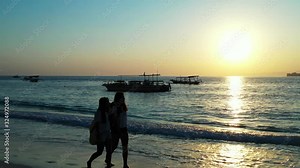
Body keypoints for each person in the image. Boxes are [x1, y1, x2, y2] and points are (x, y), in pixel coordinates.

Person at [87, 97, 113, 168]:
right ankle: (89, 161)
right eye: (107, 102)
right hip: (101, 133)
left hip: (107, 132)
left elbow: (112, 112)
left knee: (109, 150)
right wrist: (98, 134)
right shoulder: (99, 112)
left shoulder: (107, 110)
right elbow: (97, 124)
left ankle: (108, 164)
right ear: (103, 103)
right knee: (99, 152)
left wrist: (111, 104)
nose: (108, 103)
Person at [107, 92, 129, 168]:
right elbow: (111, 118)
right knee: (114, 145)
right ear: (118, 98)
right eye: (122, 98)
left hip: (124, 128)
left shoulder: (123, 106)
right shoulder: (113, 106)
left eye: (123, 98)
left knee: (125, 147)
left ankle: (125, 164)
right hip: (116, 129)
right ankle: (108, 160)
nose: (123, 99)